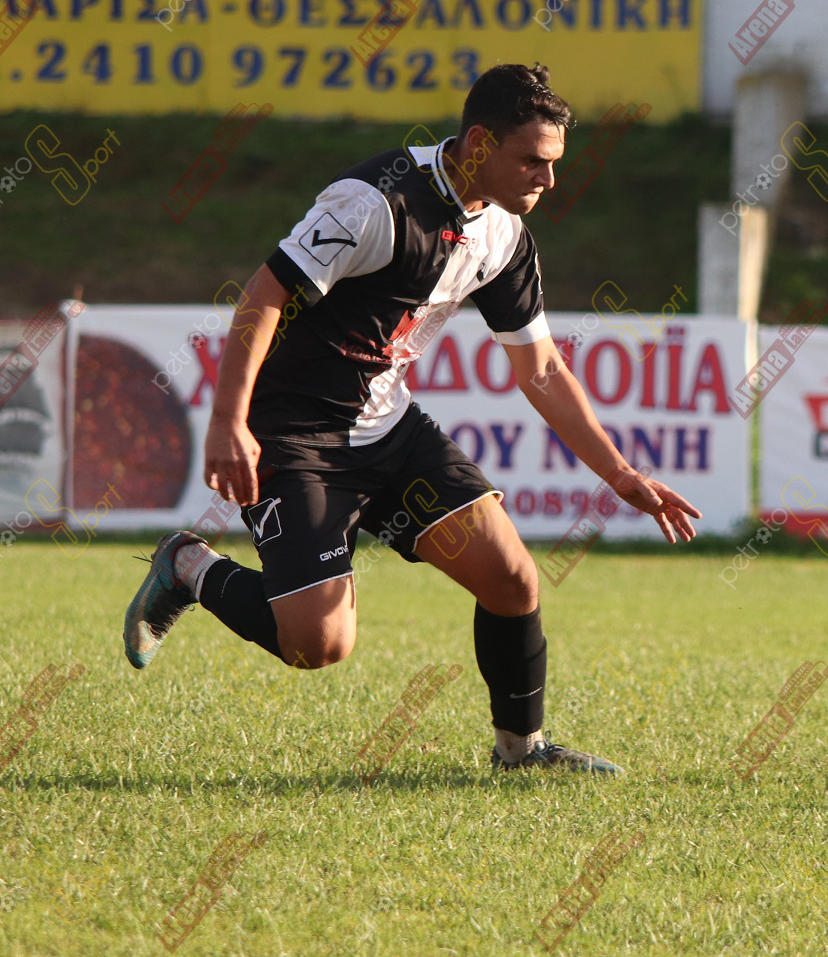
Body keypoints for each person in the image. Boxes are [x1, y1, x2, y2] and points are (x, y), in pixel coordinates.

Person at [123, 63, 700, 775]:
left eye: (554, 163)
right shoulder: (374, 202)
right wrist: (227, 421)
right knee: (319, 645)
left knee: (512, 578)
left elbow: (543, 369)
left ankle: (522, 752)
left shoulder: (504, 234)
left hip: (389, 430)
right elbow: (263, 297)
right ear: (480, 144)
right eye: (533, 160)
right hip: (296, 435)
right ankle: (188, 566)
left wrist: (620, 474)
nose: (549, 180)